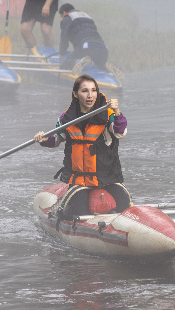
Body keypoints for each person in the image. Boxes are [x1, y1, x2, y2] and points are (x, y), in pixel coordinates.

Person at [33, 75, 130, 219]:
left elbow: (120, 132)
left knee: (124, 202)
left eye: (93, 90)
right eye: (85, 91)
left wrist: (117, 112)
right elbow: (56, 140)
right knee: (76, 210)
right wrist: (43, 139)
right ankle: (61, 211)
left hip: (106, 178)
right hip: (78, 180)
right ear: (75, 94)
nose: (90, 95)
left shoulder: (108, 114)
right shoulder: (66, 118)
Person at [57, 3, 109, 71]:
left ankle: (79, 62)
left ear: (64, 12)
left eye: (61, 16)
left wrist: (61, 57)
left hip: (87, 48)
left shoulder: (67, 18)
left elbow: (64, 40)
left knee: (66, 62)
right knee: (98, 65)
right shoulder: (87, 17)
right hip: (103, 49)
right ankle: (106, 68)